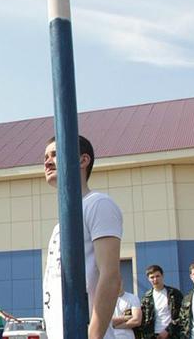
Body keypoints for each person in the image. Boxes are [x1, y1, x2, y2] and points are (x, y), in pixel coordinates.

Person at [42, 135, 123, 339]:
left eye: (55, 154)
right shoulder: (59, 226)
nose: (47, 162)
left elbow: (111, 276)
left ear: (82, 160)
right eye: (45, 157)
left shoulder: (98, 204)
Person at [139, 265, 183, 339]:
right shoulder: (146, 297)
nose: (155, 279)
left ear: (162, 276)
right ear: (148, 279)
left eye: (157, 276)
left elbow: (182, 315)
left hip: (172, 334)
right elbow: (143, 319)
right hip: (153, 335)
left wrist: (168, 330)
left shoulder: (174, 293)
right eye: (152, 277)